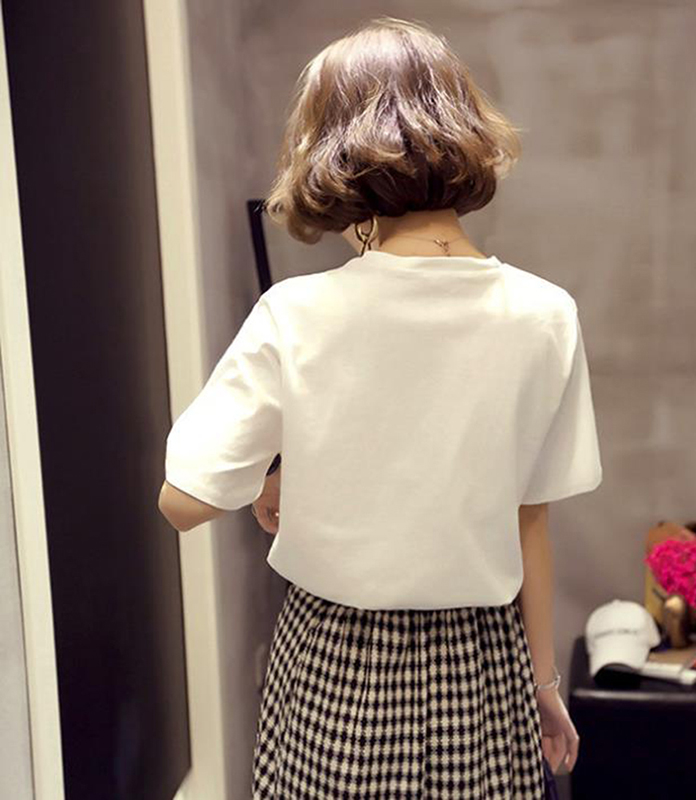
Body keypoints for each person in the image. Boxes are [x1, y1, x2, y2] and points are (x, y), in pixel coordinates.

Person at [158, 16, 602, 800]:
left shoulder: (296, 315)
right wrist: (543, 686)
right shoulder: (546, 314)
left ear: (334, 152)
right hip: (483, 667)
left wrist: (286, 469)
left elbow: (184, 501)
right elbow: (530, 518)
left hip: (337, 666)